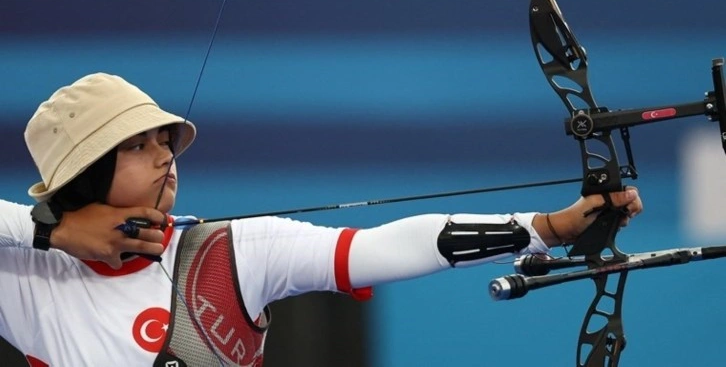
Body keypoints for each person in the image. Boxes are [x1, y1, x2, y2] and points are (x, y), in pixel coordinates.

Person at [0, 73, 642, 367]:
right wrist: (51, 233)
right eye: (138, 147)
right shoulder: (24, 275)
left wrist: (547, 227)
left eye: (164, 140)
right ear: (87, 177)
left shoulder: (223, 251)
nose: (166, 156)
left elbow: (388, 246)